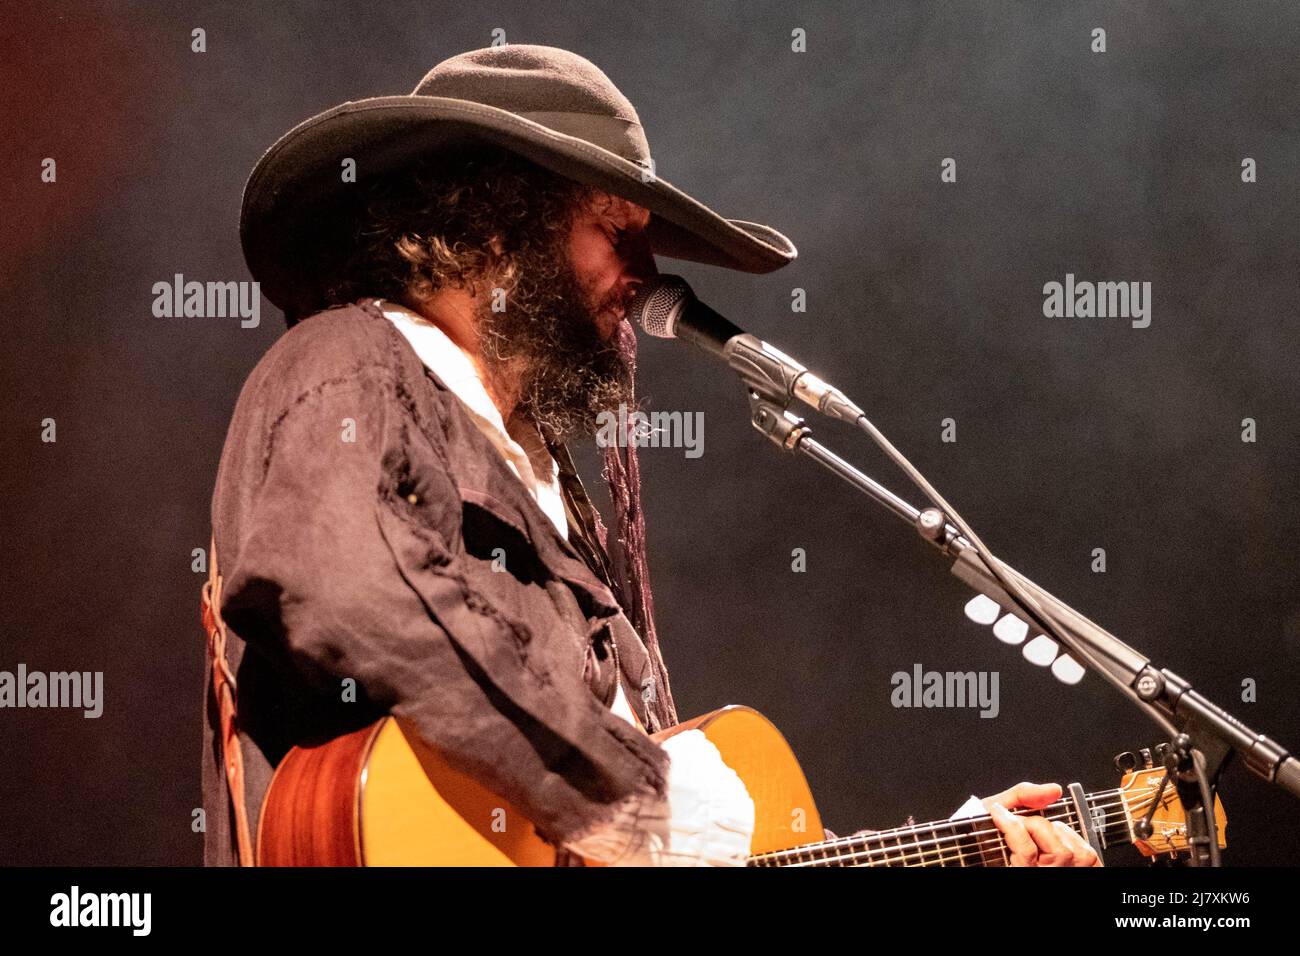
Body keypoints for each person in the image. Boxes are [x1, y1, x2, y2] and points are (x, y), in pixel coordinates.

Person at [202, 44, 1100, 868]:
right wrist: (642, 798)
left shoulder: (537, 470)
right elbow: (352, 585)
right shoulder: (346, 362)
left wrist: (957, 849)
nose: (647, 274)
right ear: (498, 225)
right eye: (615, 231)